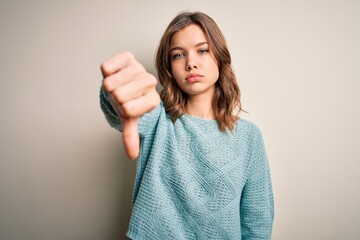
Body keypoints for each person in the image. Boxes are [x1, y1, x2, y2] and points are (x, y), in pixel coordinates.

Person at [100, 11, 274, 240]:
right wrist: (116, 91)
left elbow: (257, 221)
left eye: (202, 50)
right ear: (169, 67)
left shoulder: (249, 136)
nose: (191, 63)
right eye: (178, 55)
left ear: (219, 57)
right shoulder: (157, 119)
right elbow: (122, 110)